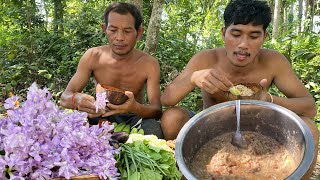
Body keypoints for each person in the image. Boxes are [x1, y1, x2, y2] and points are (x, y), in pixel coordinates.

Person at [160, 0, 319, 178]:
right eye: (236, 34)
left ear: (264, 37)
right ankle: (181, 173)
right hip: (209, 129)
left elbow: (309, 108)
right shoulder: (206, 59)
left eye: (253, 36)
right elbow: (167, 99)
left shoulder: (274, 62)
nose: (243, 44)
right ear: (223, 33)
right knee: (172, 117)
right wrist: (193, 77)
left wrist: (269, 100)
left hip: (260, 127)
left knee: (309, 128)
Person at [60, 2, 163, 138]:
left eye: (127, 31)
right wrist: (77, 99)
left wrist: (134, 107)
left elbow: (156, 110)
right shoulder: (93, 56)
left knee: (154, 130)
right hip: (97, 115)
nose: (119, 37)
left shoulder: (149, 64)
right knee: (65, 126)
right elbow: (64, 99)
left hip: (132, 119)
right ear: (105, 29)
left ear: (139, 33)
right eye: (113, 30)